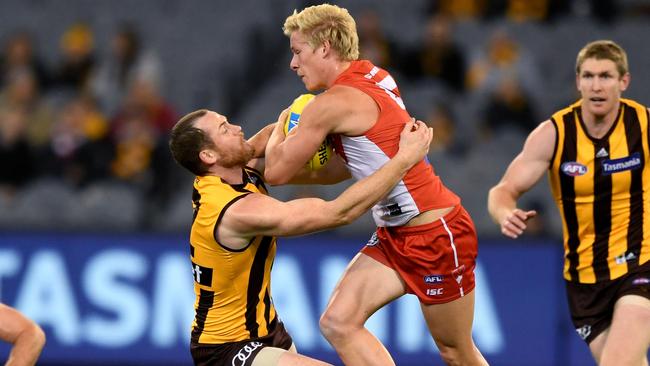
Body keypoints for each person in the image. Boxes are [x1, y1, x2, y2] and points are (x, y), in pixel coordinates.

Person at [264, 4, 488, 365]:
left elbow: (275, 172)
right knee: (339, 322)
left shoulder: (329, 105)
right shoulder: (374, 74)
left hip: (434, 233)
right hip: (394, 234)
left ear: (324, 48)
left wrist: (283, 121)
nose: (293, 64)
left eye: (297, 51)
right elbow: (348, 165)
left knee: (456, 352)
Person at [168, 108, 432, 366]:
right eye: (224, 129)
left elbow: (276, 133)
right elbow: (339, 213)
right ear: (208, 155)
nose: (238, 129)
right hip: (226, 349)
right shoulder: (235, 211)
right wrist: (403, 160)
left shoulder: (233, 170)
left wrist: (307, 118)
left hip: (268, 331)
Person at [487, 40, 650, 365]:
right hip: (584, 280)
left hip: (640, 263)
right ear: (578, 82)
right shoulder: (554, 133)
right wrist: (505, 214)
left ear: (624, 82)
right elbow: (502, 191)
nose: (596, 86)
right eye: (588, 76)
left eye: (605, 76)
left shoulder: (644, 125)